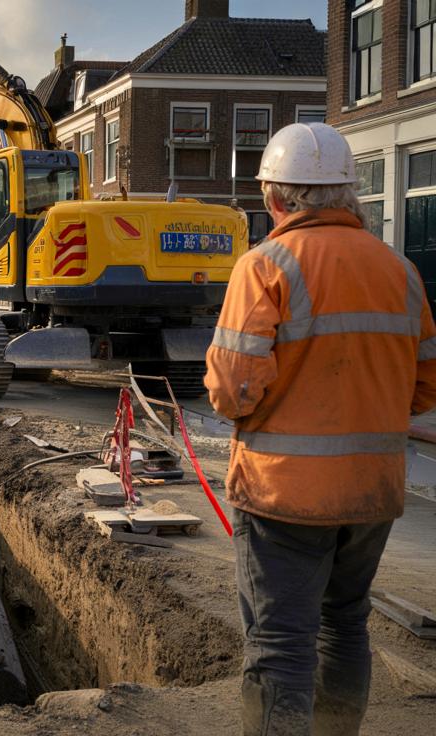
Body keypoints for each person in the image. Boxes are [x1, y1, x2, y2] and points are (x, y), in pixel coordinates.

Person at [205, 123, 436, 735]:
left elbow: (231, 392)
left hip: (285, 495)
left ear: (276, 197)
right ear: (347, 194)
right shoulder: (401, 271)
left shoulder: (265, 266)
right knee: (344, 624)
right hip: (373, 492)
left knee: (280, 643)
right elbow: (426, 388)